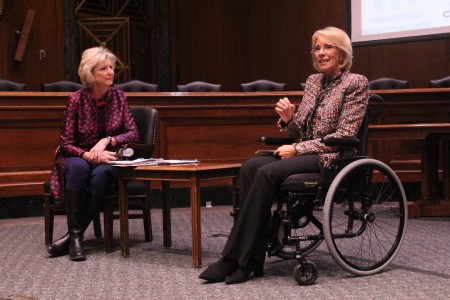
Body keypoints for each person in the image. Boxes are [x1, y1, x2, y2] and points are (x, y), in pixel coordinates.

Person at [199, 26, 369, 284]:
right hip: (304, 152)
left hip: (333, 157)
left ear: (342, 52)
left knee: (267, 172)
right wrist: (289, 119)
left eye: (328, 47)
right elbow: (298, 129)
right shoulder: (313, 82)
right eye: (317, 48)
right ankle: (252, 259)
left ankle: (234, 259)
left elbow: (345, 134)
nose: (321, 53)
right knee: (249, 167)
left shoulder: (355, 83)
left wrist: (298, 148)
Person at [46, 47, 139, 261]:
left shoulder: (119, 97)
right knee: (76, 168)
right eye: (103, 68)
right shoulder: (76, 100)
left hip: (108, 159)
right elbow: (66, 142)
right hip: (80, 157)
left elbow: (133, 133)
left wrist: (108, 140)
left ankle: (73, 237)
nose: (110, 72)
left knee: (103, 174)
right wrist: (88, 155)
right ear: (90, 73)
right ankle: (76, 237)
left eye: (111, 67)